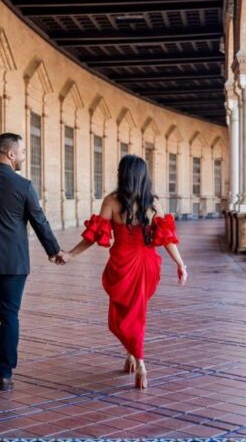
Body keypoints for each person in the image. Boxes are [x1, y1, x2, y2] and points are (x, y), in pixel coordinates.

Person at [0, 133, 68, 391]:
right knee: (9, 316)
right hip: (14, 264)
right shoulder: (23, 186)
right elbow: (39, 220)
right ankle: (4, 374)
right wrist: (54, 251)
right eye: (23, 152)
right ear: (10, 154)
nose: (24, 157)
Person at [66, 154, 188, 390]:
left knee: (120, 318)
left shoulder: (112, 202)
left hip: (122, 265)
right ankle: (132, 354)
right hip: (148, 264)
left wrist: (71, 254)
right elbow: (166, 239)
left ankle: (140, 361)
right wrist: (180, 264)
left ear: (122, 174)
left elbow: (94, 236)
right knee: (136, 312)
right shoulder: (153, 203)